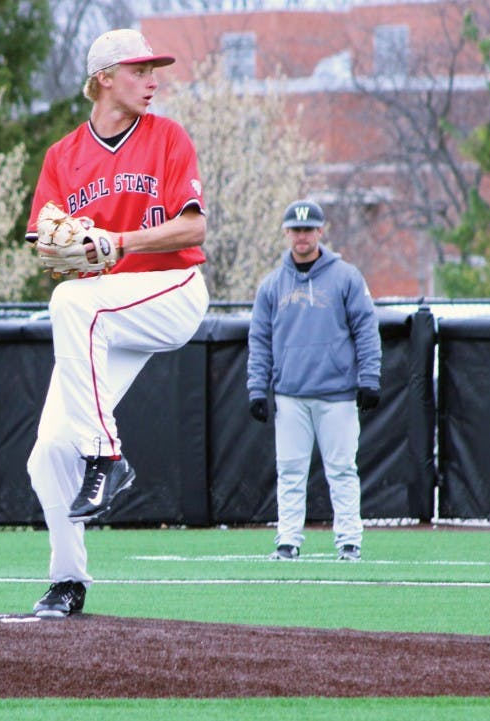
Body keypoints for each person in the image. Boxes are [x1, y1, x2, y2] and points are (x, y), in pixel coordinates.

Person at [23, 29, 208, 617]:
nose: (153, 80)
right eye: (139, 70)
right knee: (48, 451)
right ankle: (67, 582)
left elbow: (193, 230)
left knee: (73, 304)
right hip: (105, 312)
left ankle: (107, 456)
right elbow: (45, 246)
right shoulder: (63, 157)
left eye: (155, 70)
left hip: (172, 289)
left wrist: (118, 241)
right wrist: (67, 250)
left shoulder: (168, 137)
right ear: (104, 77)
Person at [246, 199, 381, 562]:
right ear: (286, 233)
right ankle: (287, 542)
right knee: (289, 471)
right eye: (296, 229)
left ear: (321, 232)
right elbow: (259, 341)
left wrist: (369, 378)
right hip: (290, 393)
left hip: (336, 393)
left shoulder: (346, 277)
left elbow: (366, 330)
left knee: (341, 470)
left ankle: (350, 542)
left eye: (308, 229)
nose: (302, 236)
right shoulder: (272, 285)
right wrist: (257, 388)